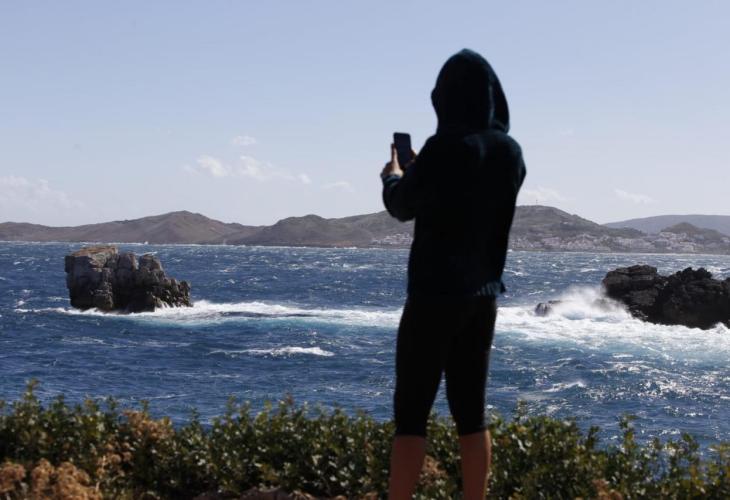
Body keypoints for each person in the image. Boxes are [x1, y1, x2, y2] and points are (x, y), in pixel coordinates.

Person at [380, 49, 526, 499]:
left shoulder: (443, 148)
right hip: (482, 299)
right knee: (471, 414)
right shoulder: (509, 153)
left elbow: (402, 205)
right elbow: (469, 188)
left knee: (411, 416)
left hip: (432, 297)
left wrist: (394, 176)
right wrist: (425, 169)